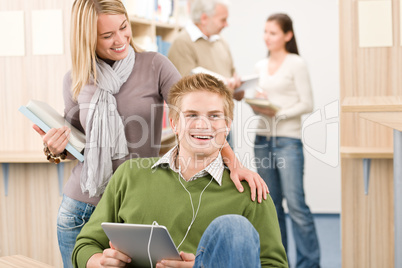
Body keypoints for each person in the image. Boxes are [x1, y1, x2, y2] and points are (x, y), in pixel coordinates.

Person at [32, 1, 268, 267]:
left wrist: (233, 163)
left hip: (133, 203)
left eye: (124, 28)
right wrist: (55, 148)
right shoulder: (75, 78)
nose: (120, 39)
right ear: (86, 37)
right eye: (107, 35)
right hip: (81, 208)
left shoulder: (155, 65)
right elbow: (79, 141)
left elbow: (196, 114)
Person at [72, 73, 288, 268]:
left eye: (214, 116)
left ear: (227, 125)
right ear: (174, 123)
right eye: (192, 115)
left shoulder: (251, 191)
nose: (203, 125)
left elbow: (274, 264)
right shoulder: (129, 176)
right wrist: (98, 261)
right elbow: (85, 245)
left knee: (233, 226)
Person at [250, 13, 320, 268]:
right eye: (265, 32)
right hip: (262, 141)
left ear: (287, 36)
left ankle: (309, 263)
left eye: (273, 33)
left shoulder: (296, 63)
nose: (267, 37)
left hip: (288, 142)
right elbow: (260, 107)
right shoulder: (259, 66)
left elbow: (307, 103)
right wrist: (256, 104)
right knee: (271, 208)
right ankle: (281, 263)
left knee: (297, 207)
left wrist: (278, 113)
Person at [168, 0, 244, 147]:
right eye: (223, 19)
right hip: (198, 131)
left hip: (222, 125)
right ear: (204, 18)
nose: (226, 24)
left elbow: (233, 77)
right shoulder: (182, 43)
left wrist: (238, 87)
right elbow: (183, 91)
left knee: (226, 169)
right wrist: (226, 88)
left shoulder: (222, 43)